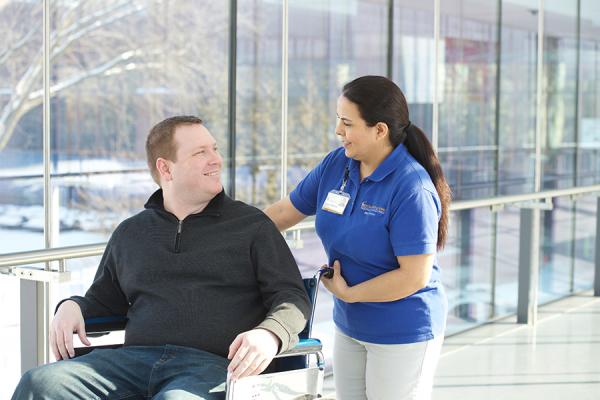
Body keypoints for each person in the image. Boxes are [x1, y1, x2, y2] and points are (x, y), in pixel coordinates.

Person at [12, 116, 310, 400]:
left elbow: (293, 298)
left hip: (212, 366)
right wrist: (71, 305)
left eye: (215, 149)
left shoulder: (252, 226)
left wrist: (270, 334)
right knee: (39, 384)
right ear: (166, 169)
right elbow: (104, 302)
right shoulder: (131, 233)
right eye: (200, 153)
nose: (216, 159)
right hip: (133, 362)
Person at [265, 76, 451, 400]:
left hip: (402, 328)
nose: (338, 131)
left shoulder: (411, 188)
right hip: (351, 324)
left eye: (347, 123)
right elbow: (284, 212)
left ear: (379, 130)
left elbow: (413, 277)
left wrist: (351, 294)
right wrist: (228, 234)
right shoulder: (338, 164)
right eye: (339, 119)